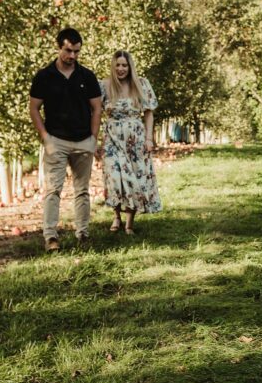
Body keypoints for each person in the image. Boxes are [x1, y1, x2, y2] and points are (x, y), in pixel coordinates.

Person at [29, 28, 103, 252]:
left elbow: (97, 108)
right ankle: (50, 236)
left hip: (83, 141)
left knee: (82, 190)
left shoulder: (87, 76)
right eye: (68, 50)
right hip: (57, 141)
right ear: (59, 47)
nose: (72, 56)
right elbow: (34, 108)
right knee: (53, 190)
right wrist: (46, 138)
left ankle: (83, 234)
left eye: (76, 51)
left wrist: (93, 138)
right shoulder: (44, 76)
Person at [98, 51, 162, 234]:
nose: (120, 69)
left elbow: (149, 111)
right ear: (113, 66)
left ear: (130, 67)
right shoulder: (104, 85)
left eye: (124, 65)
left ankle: (129, 223)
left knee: (133, 178)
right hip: (112, 137)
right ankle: (116, 217)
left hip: (135, 138)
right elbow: (94, 111)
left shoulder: (141, 84)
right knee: (114, 177)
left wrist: (149, 138)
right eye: (117, 65)